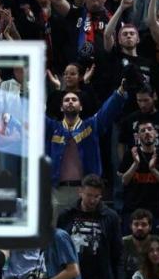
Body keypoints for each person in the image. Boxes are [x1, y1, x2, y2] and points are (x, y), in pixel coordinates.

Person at [46, 80, 126, 215]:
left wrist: (120, 91)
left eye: (74, 99)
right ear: (61, 107)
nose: (70, 102)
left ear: (81, 107)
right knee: (56, 234)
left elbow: (107, 112)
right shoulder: (52, 128)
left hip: (86, 191)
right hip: (57, 192)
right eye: (66, 100)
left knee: (85, 233)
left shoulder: (91, 125)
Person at [56, 174, 122, 279]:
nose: (92, 200)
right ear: (80, 191)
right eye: (89, 195)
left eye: (96, 196)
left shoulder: (110, 217)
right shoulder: (66, 215)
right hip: (72, 278)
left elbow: (117, 252)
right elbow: (58, 250)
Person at [118, 119, 159, 234]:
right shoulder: (130, 154)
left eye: (150, 129)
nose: (147, 132)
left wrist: (153, 169)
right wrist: (136, 164)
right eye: (143, 131)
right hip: (132, 209)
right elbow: (124, 181)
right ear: (138, 136)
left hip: (155, 210)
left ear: (156, 134)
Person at [122, 209, 154, 279]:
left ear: (150, 227)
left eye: (144, 224)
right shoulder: (122, 243)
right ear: (130, 226)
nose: (139, 228)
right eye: (136, 224)